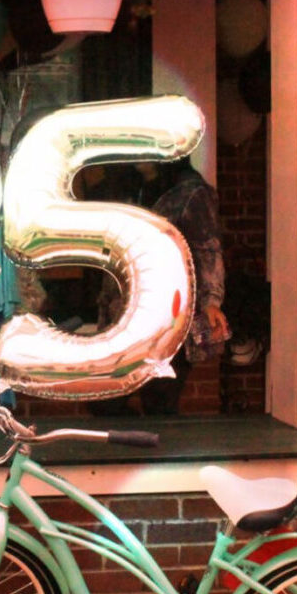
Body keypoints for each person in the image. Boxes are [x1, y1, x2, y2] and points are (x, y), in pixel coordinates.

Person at [90, 159, 230, 416]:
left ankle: (156, 450)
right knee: (106, 400)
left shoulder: (189, 193)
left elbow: (207, 249)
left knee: (159, 400)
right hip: (125, 317)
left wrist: (211, 301)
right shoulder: (130, 191)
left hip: (167, 319)